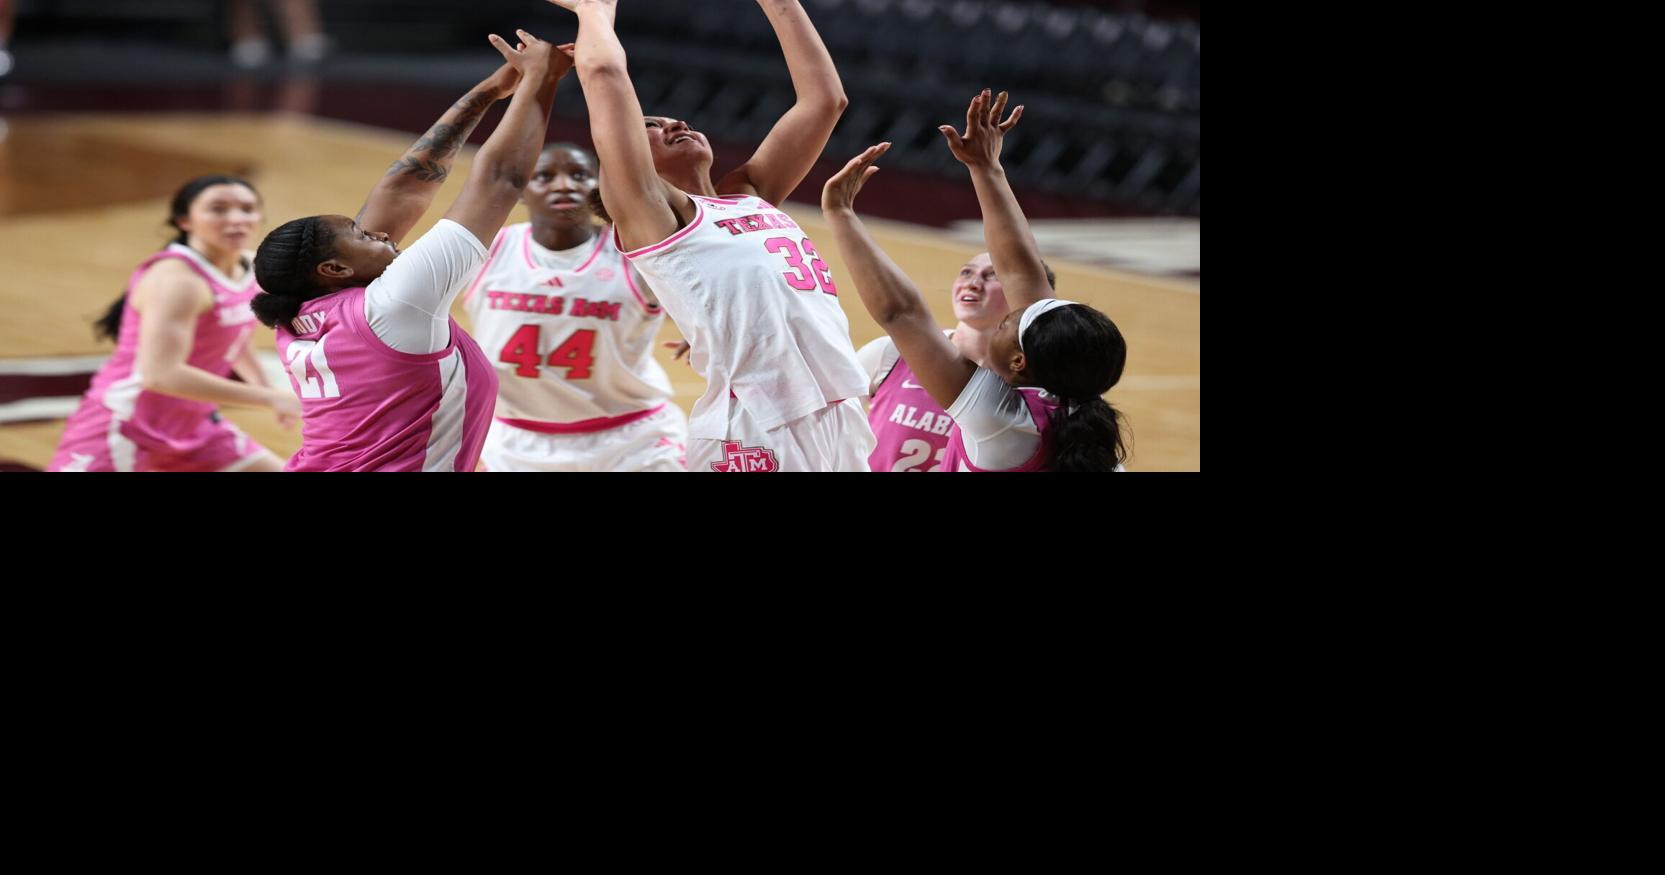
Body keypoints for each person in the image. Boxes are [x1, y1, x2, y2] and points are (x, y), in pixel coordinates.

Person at [546, 0, 873, 472]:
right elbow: (604, 75)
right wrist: (592, 9)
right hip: (760, 423)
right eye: (651, 128)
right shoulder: (653, 216)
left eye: (671, 119)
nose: (676, 124)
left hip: (835, 410)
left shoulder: (747, 194)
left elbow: (825, 100)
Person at [249, 33, 571, 471]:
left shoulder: (303, 309)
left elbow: (403, 188)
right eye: (361, 235)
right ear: (335, 268)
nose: (378, 235)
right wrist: (541, 80)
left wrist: (491, 91)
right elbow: (501, 181)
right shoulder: (395, 304)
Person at [821, 90, 1130, 472]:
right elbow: (1021, 269)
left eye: (1009, 323)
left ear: (1019, 360)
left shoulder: (1004, 424)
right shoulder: (1081, 410)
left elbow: (902, 314)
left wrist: (840, 215)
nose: (1013, 311)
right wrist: (986, 167)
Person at [462, 142, 687, 471]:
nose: (564, 184)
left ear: (600, 188)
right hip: (513, 441)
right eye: (544, 176)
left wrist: (703, 324)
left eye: (580, 175)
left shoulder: (636, 254)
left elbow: (712, 286)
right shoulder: (487, 248)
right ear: (522, 190)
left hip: (634, 440)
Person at [49, 175, 296, 472]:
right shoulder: (178, 281)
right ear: (184, 221)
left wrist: (265, 386)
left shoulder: (250, 267)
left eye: (247, 209)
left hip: (194, 425)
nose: (236, 218)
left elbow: (232, 336)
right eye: (218, 209)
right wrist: (272, 397)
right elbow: (160, 375)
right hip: (126, 425)